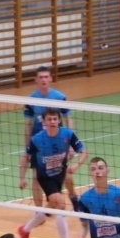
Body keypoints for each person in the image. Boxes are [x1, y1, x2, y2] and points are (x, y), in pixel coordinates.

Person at [17, 109, 87, 238]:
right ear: (44, 122)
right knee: (60, 204)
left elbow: (83, 151)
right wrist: (21, 178)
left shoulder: (67, 134)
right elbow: (26, 157)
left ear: (59, 120)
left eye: (55, 119)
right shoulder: (37, 139)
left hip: (59, 175)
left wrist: (76, 165)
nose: (53, 122)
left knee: (52, 206)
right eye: (49, 119)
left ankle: (25, 230)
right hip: (45, 176)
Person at [22, 66, 79, 214]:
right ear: (36, 80)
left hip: (58, 142)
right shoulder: (31, 100)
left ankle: (73, 197)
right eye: (41, 77)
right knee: (36, 177)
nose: (44, 80)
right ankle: (39, 211)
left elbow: (68, 119)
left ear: (51, 79)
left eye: (46, 77)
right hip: (39, 144)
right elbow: (28, 124)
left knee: (65, 174)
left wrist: (71, 145)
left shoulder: (59, 97)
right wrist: (27, 147)